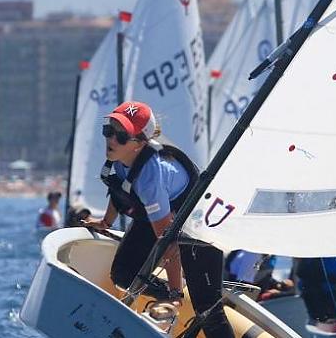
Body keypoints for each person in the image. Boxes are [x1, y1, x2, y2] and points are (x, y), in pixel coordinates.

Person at [82, 101, 233, 337]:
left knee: (209, 310)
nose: (111, 139)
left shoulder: (151, 176)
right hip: (160, 216)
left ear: (139, 143)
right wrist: (105, 223)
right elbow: (120, 190)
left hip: (195, 225)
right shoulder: (121, 158)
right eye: (108, 131)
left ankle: (178, 300)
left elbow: (168, 241)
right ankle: (169, 300)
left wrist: (175, 293)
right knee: (122, 275)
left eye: (121, 136)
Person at [225, 250, 294, 299]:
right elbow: (244, 285)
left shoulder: (268, 256)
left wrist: (278, 285)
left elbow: (266, 276)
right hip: (244, 294)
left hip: (259, 291)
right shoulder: (253, 255)